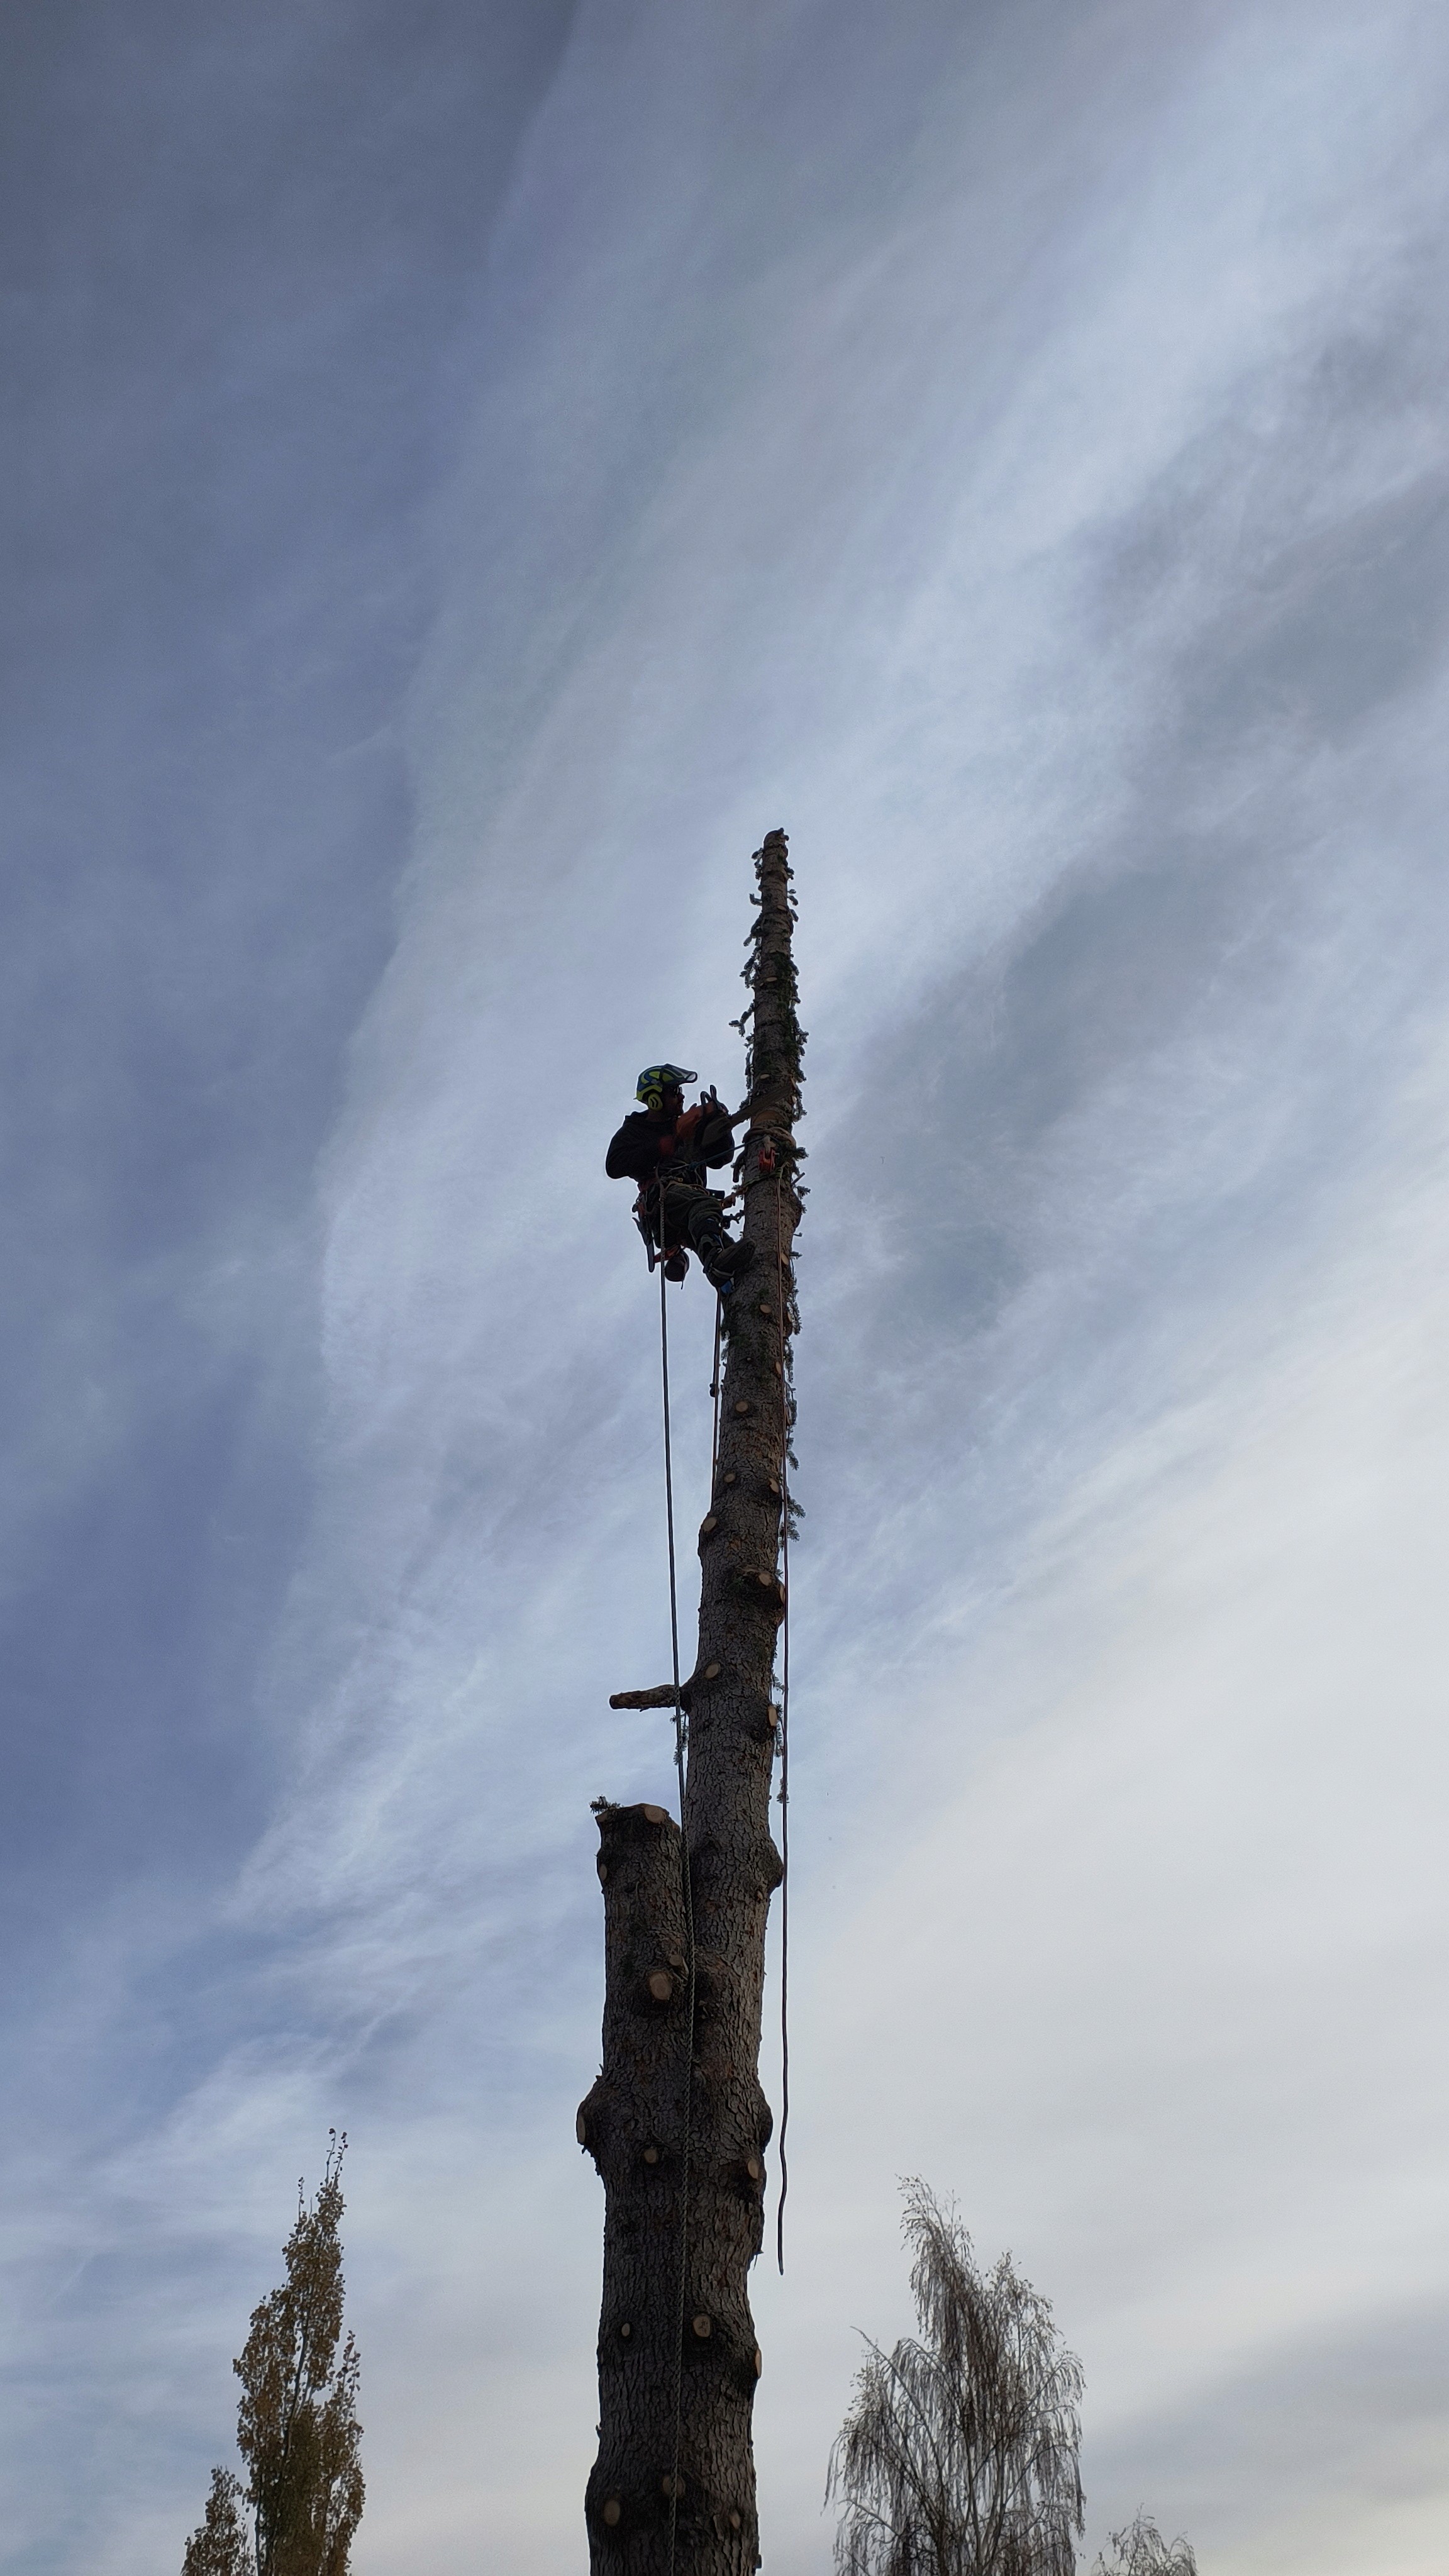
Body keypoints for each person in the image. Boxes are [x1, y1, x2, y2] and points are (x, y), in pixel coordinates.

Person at [606, 1063, 757, 1293]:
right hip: (662, 1201)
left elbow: (720, 1159)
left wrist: (718, 1125)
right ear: (655, 1099)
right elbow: (614, 1166)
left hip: (690, 1205)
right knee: (703, 1206)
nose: (681, 1096)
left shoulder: (687, 1125)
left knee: (725, 1244)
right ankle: (717, 1266)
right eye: (675, 1092)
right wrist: (670, 1140)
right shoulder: (635, 1130)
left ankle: (734, 1291)